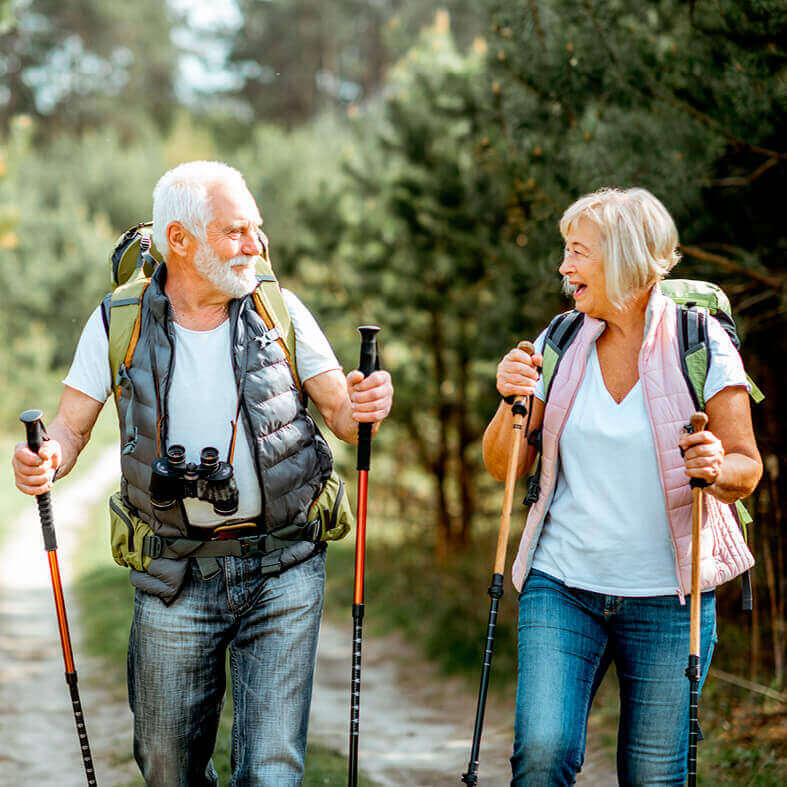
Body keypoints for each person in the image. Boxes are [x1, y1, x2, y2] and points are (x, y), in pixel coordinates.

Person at [12, 160, 394, 786]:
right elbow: (70, 428)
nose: (255, 245)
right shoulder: (118, 321)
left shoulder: (280, 310)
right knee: (167, 768)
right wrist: (43, 460)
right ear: (180, 240)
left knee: (271, 771)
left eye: (256, 228)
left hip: (284, 564)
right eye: (234, 231)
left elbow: (348, 419)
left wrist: (372, 401)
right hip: (173, 571)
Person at [483, 187, 761, 786]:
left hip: (669, 598)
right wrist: (510, 402)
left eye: (578, 253)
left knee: (655, 777)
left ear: (626, 258)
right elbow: (506, 466)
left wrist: (715, 466)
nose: (564, 267)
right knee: (542, 753)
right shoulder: (560, 341)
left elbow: (747, 468)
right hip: (563, 587)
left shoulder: (700, 343)